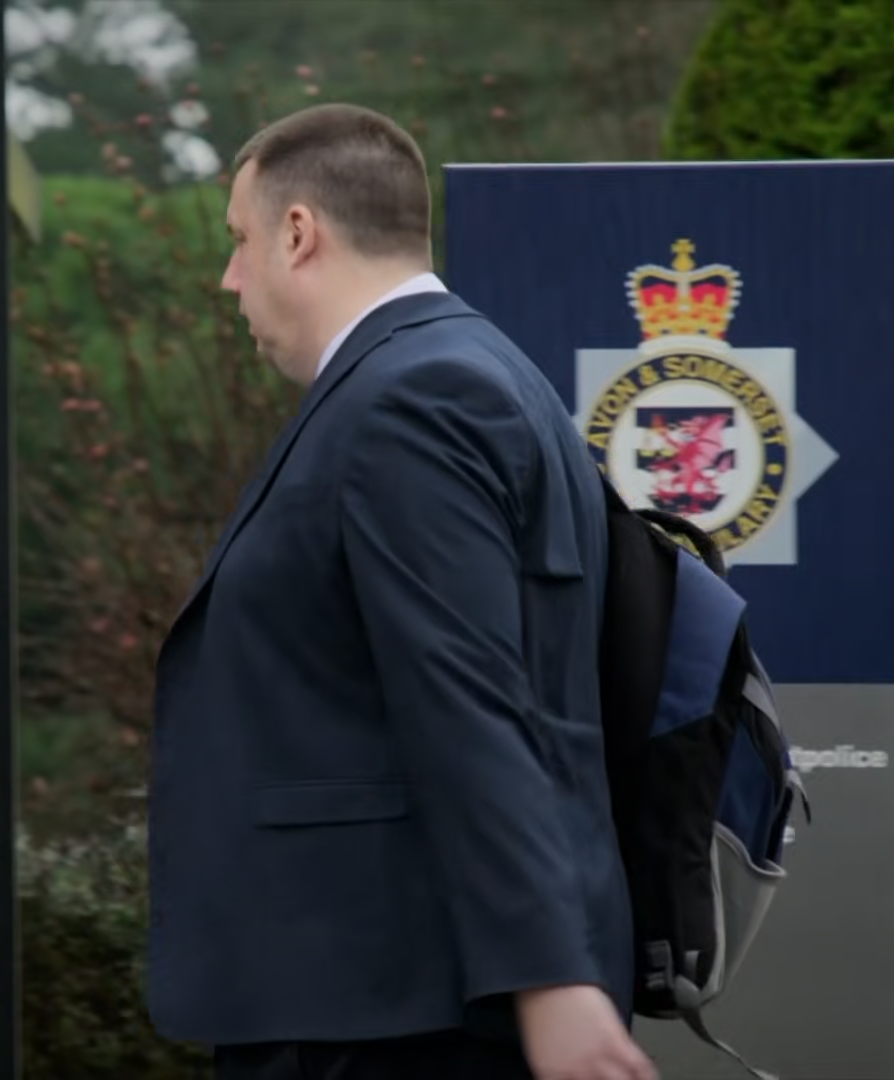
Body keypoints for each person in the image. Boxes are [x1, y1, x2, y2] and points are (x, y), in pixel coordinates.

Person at [146, 102, 656, 1080]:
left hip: (387, 1010)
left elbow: (468, 697)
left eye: (239, 241)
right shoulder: (472, 371)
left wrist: (549, 978)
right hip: (398, 994)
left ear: (300, 233)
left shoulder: (409, 400)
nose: (229, 279)